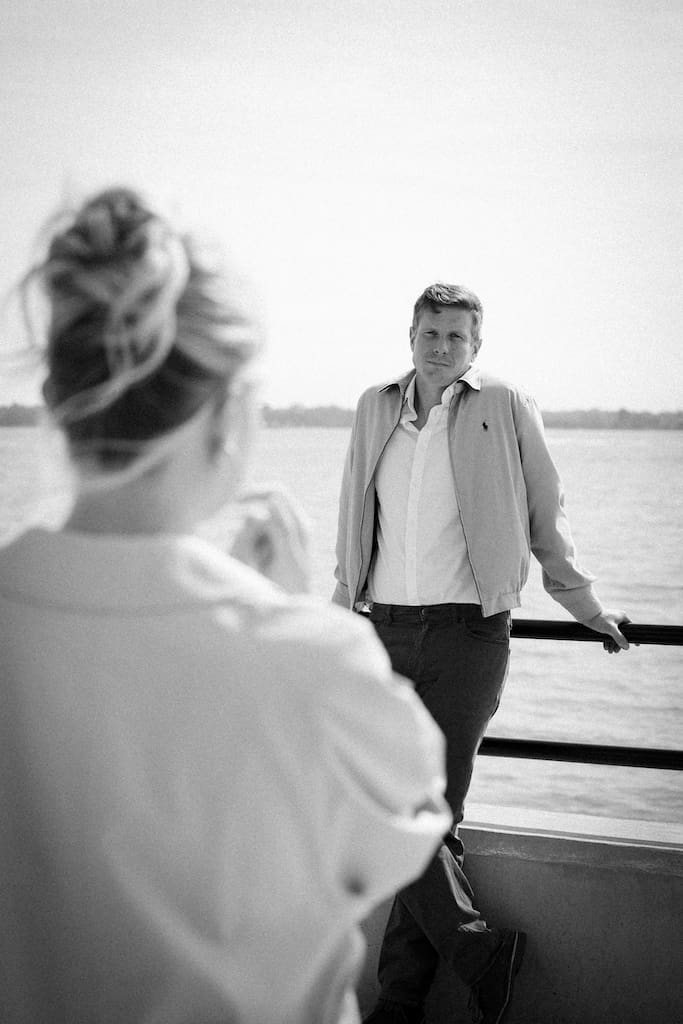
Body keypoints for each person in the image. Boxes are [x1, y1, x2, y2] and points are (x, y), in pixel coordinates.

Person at [0, 189, 453, 1024]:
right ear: (225, 415)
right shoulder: (306, 662)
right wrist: (279, 616)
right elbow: (401, 830)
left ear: (62, 404)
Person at [332, 282, 631, 1024]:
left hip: (468, 634)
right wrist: (336, 618)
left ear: (476, 346)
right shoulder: (375, 406)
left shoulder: (503, 406)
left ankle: (400, 1002)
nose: (441, 348)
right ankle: (475, 951)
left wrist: (585, 607)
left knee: (431, 814)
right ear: (410, 335)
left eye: (457, 338)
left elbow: (543, 511)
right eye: (431, 334)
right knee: (392, 804)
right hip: (383, 630)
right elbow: (350, 513)